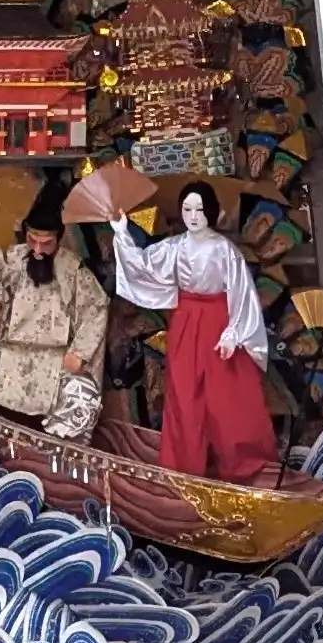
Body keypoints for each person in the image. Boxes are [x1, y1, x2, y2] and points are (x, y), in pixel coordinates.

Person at [109, 178, 277, 481]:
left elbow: (242, 292)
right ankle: (184, 468)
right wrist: (121, 232)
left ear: (210, 211)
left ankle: (239, 465)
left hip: (218, 319)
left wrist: (233, 332)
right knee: (184, 392)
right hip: (186, 320)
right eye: (187, 209)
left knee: (225, 396)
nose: (194, 215)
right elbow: (142, 264)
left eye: (200, 209)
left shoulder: (224, 250)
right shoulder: (174, 247)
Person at [0, 173, 109, 440]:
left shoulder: (74, 271)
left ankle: (53, 451)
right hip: (8, 357)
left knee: (83, 402)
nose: (38, 250)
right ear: (25, 233)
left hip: (55, 364)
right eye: (32, 240)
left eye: (46, 244)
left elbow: (96, 309)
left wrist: (79, 353)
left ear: (59, 238)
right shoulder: (6, 262)